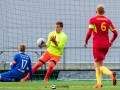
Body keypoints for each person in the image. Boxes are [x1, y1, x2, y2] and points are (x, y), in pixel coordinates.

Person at [84, 4, 118, 88]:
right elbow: (116, 33)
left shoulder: (93, 20)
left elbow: (89, 32)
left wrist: (86, 41)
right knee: (98, 64)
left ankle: (111, 74)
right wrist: (111, 41)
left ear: (96, 11)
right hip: (106, 45)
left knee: (98, 65)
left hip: (97, 45)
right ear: (104, 12)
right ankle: (99, 83)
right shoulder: (108, 21)